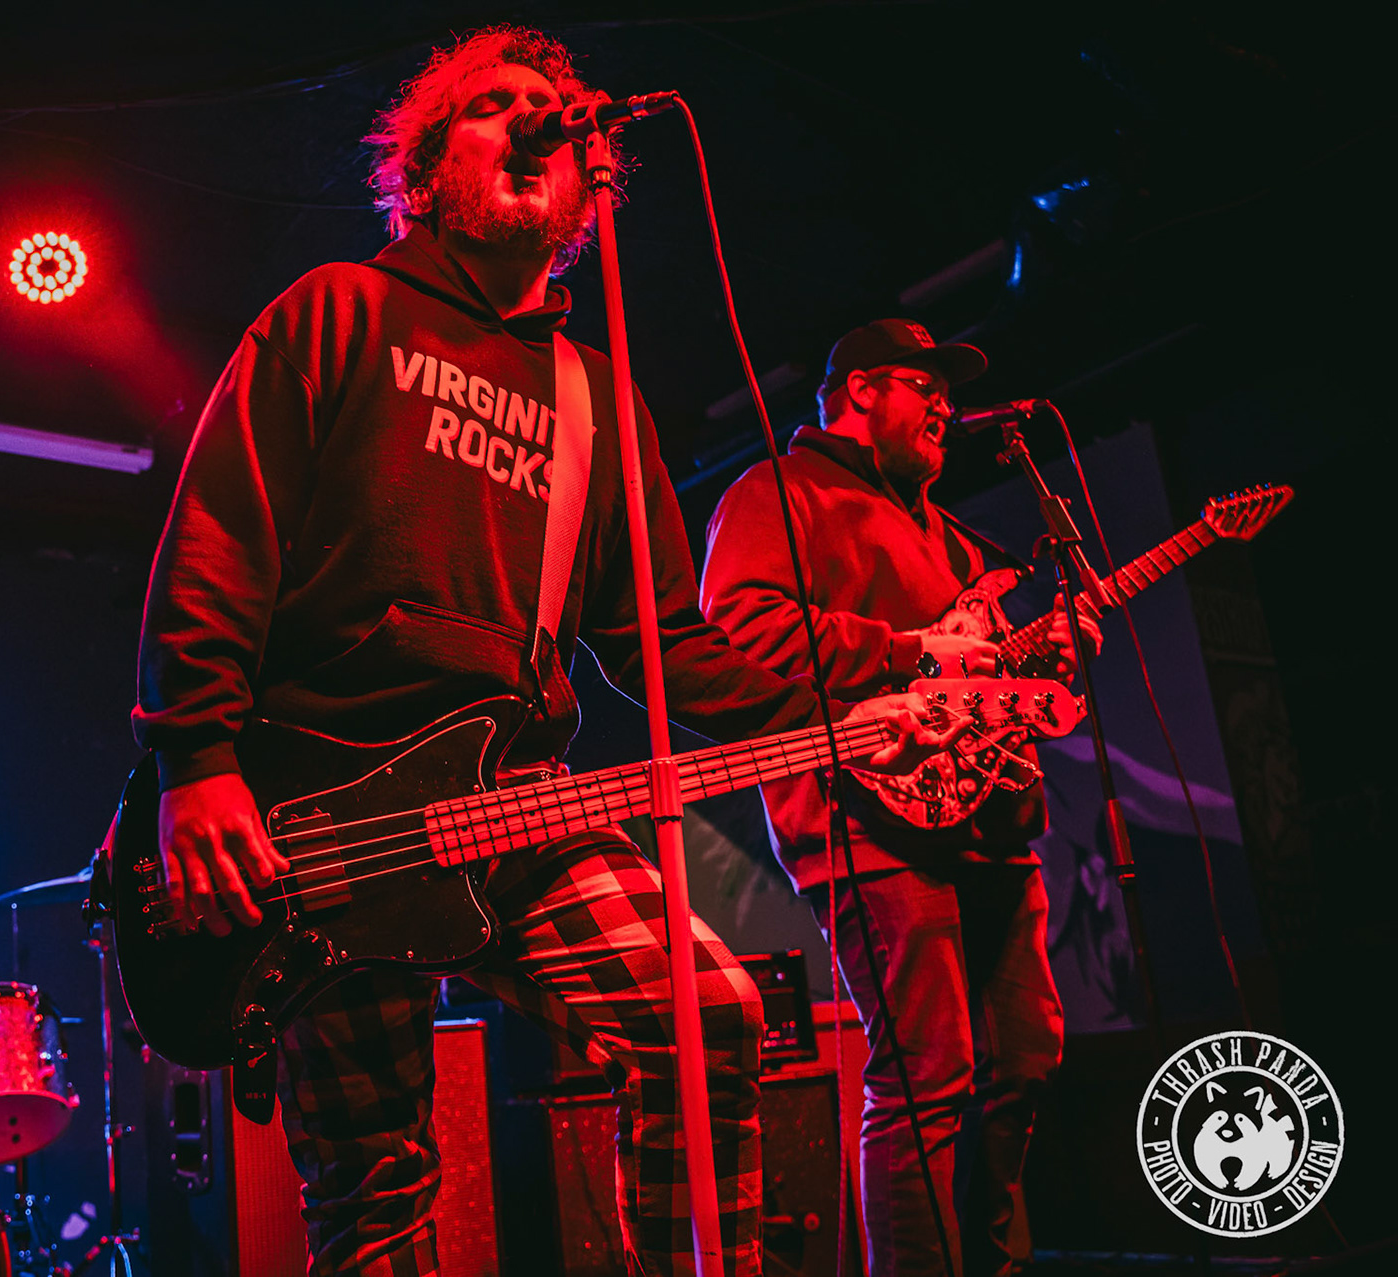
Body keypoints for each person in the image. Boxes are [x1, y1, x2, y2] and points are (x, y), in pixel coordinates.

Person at [132, 28, 946, 1277]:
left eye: (550, 111)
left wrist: (870, 692)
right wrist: (196, 760)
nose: (529, 122)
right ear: (424, 169)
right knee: (376, 1178)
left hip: (515, 803)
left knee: (708, 1019)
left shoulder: (595, 396)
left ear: (586, 185)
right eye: (490, 106)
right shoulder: (340, 311)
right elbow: (220, 534)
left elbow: (672, 647)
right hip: (321, 813)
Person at [699, 318, 1100, 1277]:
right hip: (867, 818)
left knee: (1024, 1058)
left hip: (987, 822)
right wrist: (908, 650)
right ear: (863, 390)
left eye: (949, 395)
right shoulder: (781, 491)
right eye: (928, 387)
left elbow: (975, 679)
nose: (947, 409)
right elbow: (740, 626)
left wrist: (1039, 663)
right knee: (926, 1073)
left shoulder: (949, 533)